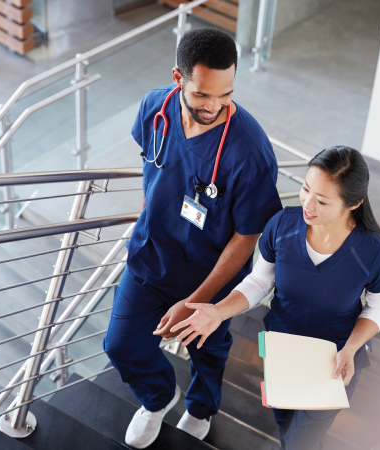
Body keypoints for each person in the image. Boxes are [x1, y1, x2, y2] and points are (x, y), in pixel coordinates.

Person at [103, 28, 283, 449]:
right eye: (203, 95)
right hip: (150, 258)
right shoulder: (155, 108)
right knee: (120, 345)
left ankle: (201, 407)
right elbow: (154, 166)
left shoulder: (249, 151)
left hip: (211, 280)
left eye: (226, 95)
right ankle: (159, 397)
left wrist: (198, 300)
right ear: (178, 78)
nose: (214, 107)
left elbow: (247, 235)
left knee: (209, 351)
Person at [171, 146, 380, 450]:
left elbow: (378, 307)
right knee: (284, 420)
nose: (308, 203)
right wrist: (219, 312)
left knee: (302, 441)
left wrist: (351, 348)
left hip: (334, 360)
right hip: (282, 348)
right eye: (306, 189)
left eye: (322, 200)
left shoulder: (374, 253)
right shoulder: (282, 225)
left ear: (354, 203)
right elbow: (260, 280)